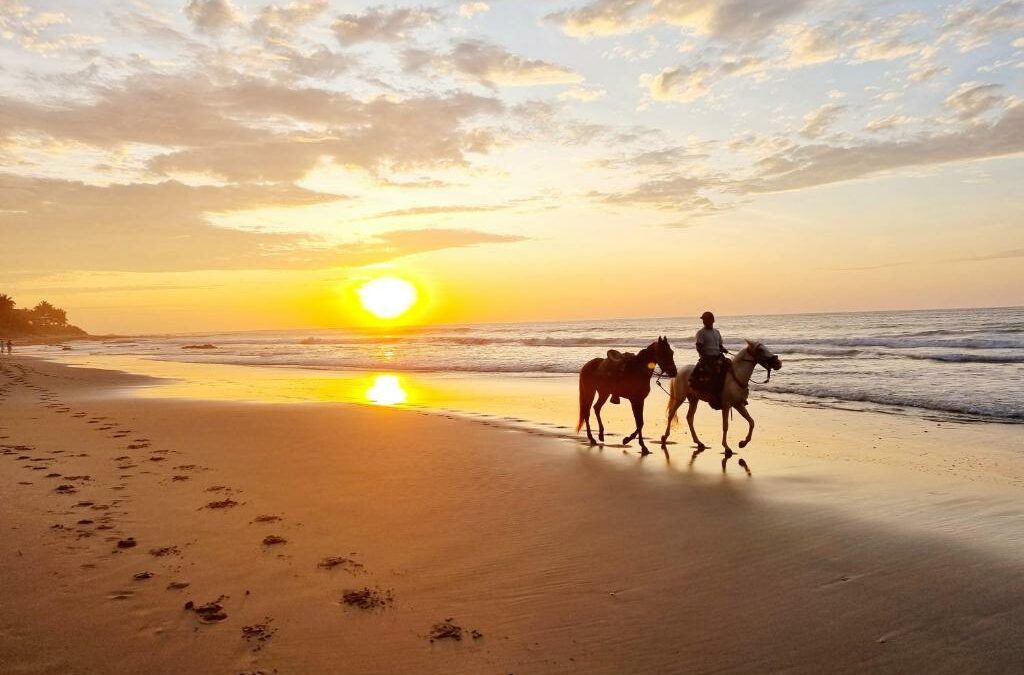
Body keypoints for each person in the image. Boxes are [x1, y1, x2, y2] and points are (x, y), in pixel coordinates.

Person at [689, 311, 729, 409]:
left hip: (718, 357)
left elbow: (719, 345)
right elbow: (699, 347)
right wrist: (704, 357)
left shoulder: (717, 332)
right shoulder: (701, 333)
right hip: (707, 358)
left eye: (706, 319)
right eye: (703, 320)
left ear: (712, 320)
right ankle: (713, 397)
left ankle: (734, 394)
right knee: (713, 374)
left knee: (731, 367)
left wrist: (723, 349)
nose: (704, 322)